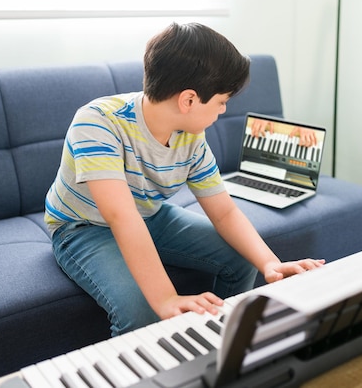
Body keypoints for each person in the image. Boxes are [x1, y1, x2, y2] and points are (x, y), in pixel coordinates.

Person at [44, 22, 325, 337]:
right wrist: (165, 298)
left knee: (242, 259)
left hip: (149, 215)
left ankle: (218, 341)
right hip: (84, 228)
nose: (223, 110)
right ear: (189, 100)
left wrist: (270, 264)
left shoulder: (190, 137)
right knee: (143, 311)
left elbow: (224, 211)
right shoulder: (97, 123)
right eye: (221, 101)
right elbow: (120, 216)